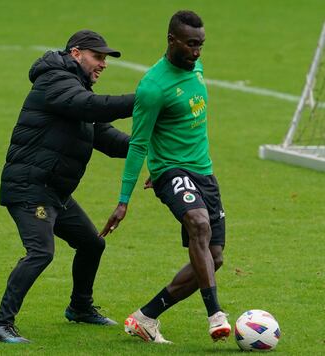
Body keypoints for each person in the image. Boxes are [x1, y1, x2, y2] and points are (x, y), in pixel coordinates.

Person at [0, 29, 135, 343]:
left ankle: (80, 308)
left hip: (53, 191)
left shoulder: (77, 89)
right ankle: (0, 325)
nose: (103, 64)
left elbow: (106, 138)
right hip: (30, 187)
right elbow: (91, 107)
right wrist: (142, 100)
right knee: (40, 252)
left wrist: (147, 146)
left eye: (106, 59)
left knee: (92, 244)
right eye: (98, 57)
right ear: (76, 53)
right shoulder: (55, 81)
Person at [100, 10, 231, 344]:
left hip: (204, 172)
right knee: (198, 222)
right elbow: (139, 143)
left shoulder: (196, 67)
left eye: (201, 45)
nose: (197, 52)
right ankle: (215, 314)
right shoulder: (153, 87)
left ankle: (146, 317)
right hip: (172, 171)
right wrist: (124, 199)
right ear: (172, 40)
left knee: (214, 259)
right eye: (191, 45)